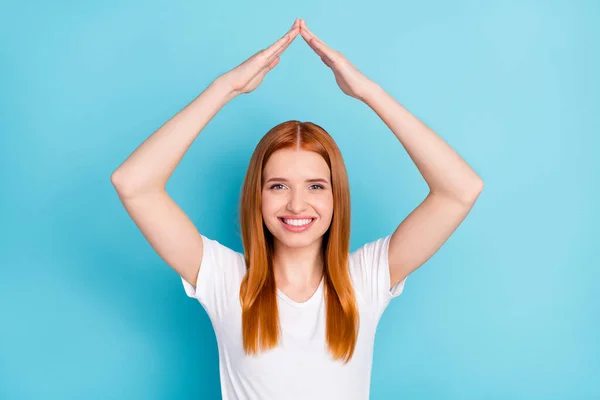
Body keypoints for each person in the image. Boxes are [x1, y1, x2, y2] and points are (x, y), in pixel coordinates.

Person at [111, 18, 483, 400]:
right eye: (278, 186)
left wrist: (368, 92)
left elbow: (461, 190)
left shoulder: (366, 280)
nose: (297, 204)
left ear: (337, 196)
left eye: (316, 186)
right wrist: (225, 88)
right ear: (256, 196)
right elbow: (134, 183)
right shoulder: (225, 279)